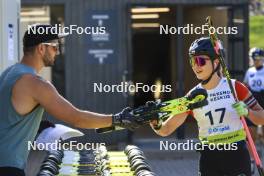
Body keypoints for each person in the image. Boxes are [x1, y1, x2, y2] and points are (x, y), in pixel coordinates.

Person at [0, 24, 140, 176]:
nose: (58, 52)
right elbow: (77, 118)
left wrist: (37, 126)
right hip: (8, 167)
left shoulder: (10, 72)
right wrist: (118, 119)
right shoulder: (36, 83)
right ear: (41, 48)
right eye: (55, 46)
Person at [149, 37, 264, 176]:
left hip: (236, 157)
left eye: (200, 61)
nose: (195, 66)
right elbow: (166, 129)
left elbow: (261, 118)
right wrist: (155, 123)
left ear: (216, 62)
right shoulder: (193, 96)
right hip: (209, 160)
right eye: (192, 61)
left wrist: (248, 112)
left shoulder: (235, 87)